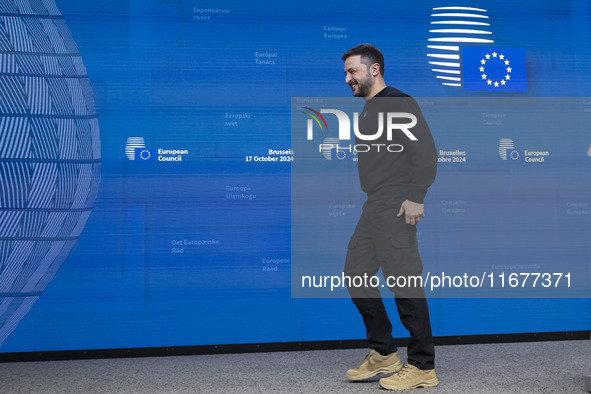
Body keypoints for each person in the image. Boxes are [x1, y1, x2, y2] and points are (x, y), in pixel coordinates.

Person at [341, 44, 438, 390]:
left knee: (405, 282)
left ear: (375, 69)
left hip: (397, 204)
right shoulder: (370, 111)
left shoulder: (398, 103)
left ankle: (423, 365)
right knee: (355, 272)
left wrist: (415, 197)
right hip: (375, 205)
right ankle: (383, 352)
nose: (348, 79)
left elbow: (426, 152)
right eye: (346, 74)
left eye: (353, 71)